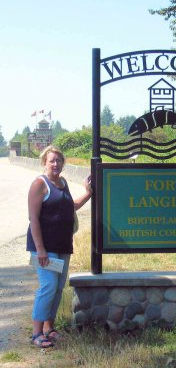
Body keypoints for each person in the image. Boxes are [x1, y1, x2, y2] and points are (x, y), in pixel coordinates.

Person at [27, 145, 92, 348]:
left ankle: (49, 328)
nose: (55, 164)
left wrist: (89, 193)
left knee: (57, 288)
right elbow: (33, 219)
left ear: (63, 163)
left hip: (63, 245)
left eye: (59, 160)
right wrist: (40, 250)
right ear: (44, 163)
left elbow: (70, 206)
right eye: (52, 160)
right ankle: (36, 333)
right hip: (45, 247)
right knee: (48, 286)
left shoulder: (63, 183)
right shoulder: (39, 184)